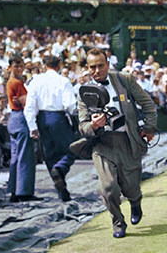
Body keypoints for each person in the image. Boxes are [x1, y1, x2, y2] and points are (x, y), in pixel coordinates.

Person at [77, 48, 157, 239]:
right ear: (87, 68)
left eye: (101, 66)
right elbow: (82, 125)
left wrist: (149, 128)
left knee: (131, 186)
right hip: (102, 145)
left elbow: (148, 104)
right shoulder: (83, 92)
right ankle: (118, 222)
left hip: (128, 141)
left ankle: (135, 202)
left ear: (108, 64)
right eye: (93, 67)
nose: (97, 71)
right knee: (109, 187)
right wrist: (93, 125)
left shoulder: (124, 80)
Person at [24, 52, 78, 201]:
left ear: (44, 66)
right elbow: (70, 105)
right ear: (59, 66)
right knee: (71, 149)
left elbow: (29, 106)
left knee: (49, 155)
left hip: (41, 118)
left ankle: (62, 190)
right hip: (58, 117)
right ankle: (60, 169)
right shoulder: (63, 80)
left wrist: (32, 126)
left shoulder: (35, 81)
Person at [6, 56, 40, 203]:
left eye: (21, 66)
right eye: (16, 66)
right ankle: (24, 191)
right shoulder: (17, 82)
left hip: (14, 119)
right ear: (10, 67)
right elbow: (26, 102)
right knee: (25, 156)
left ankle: (14, 190)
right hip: (20, 118)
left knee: (16, 156)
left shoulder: (12, 82)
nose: (19, 69)